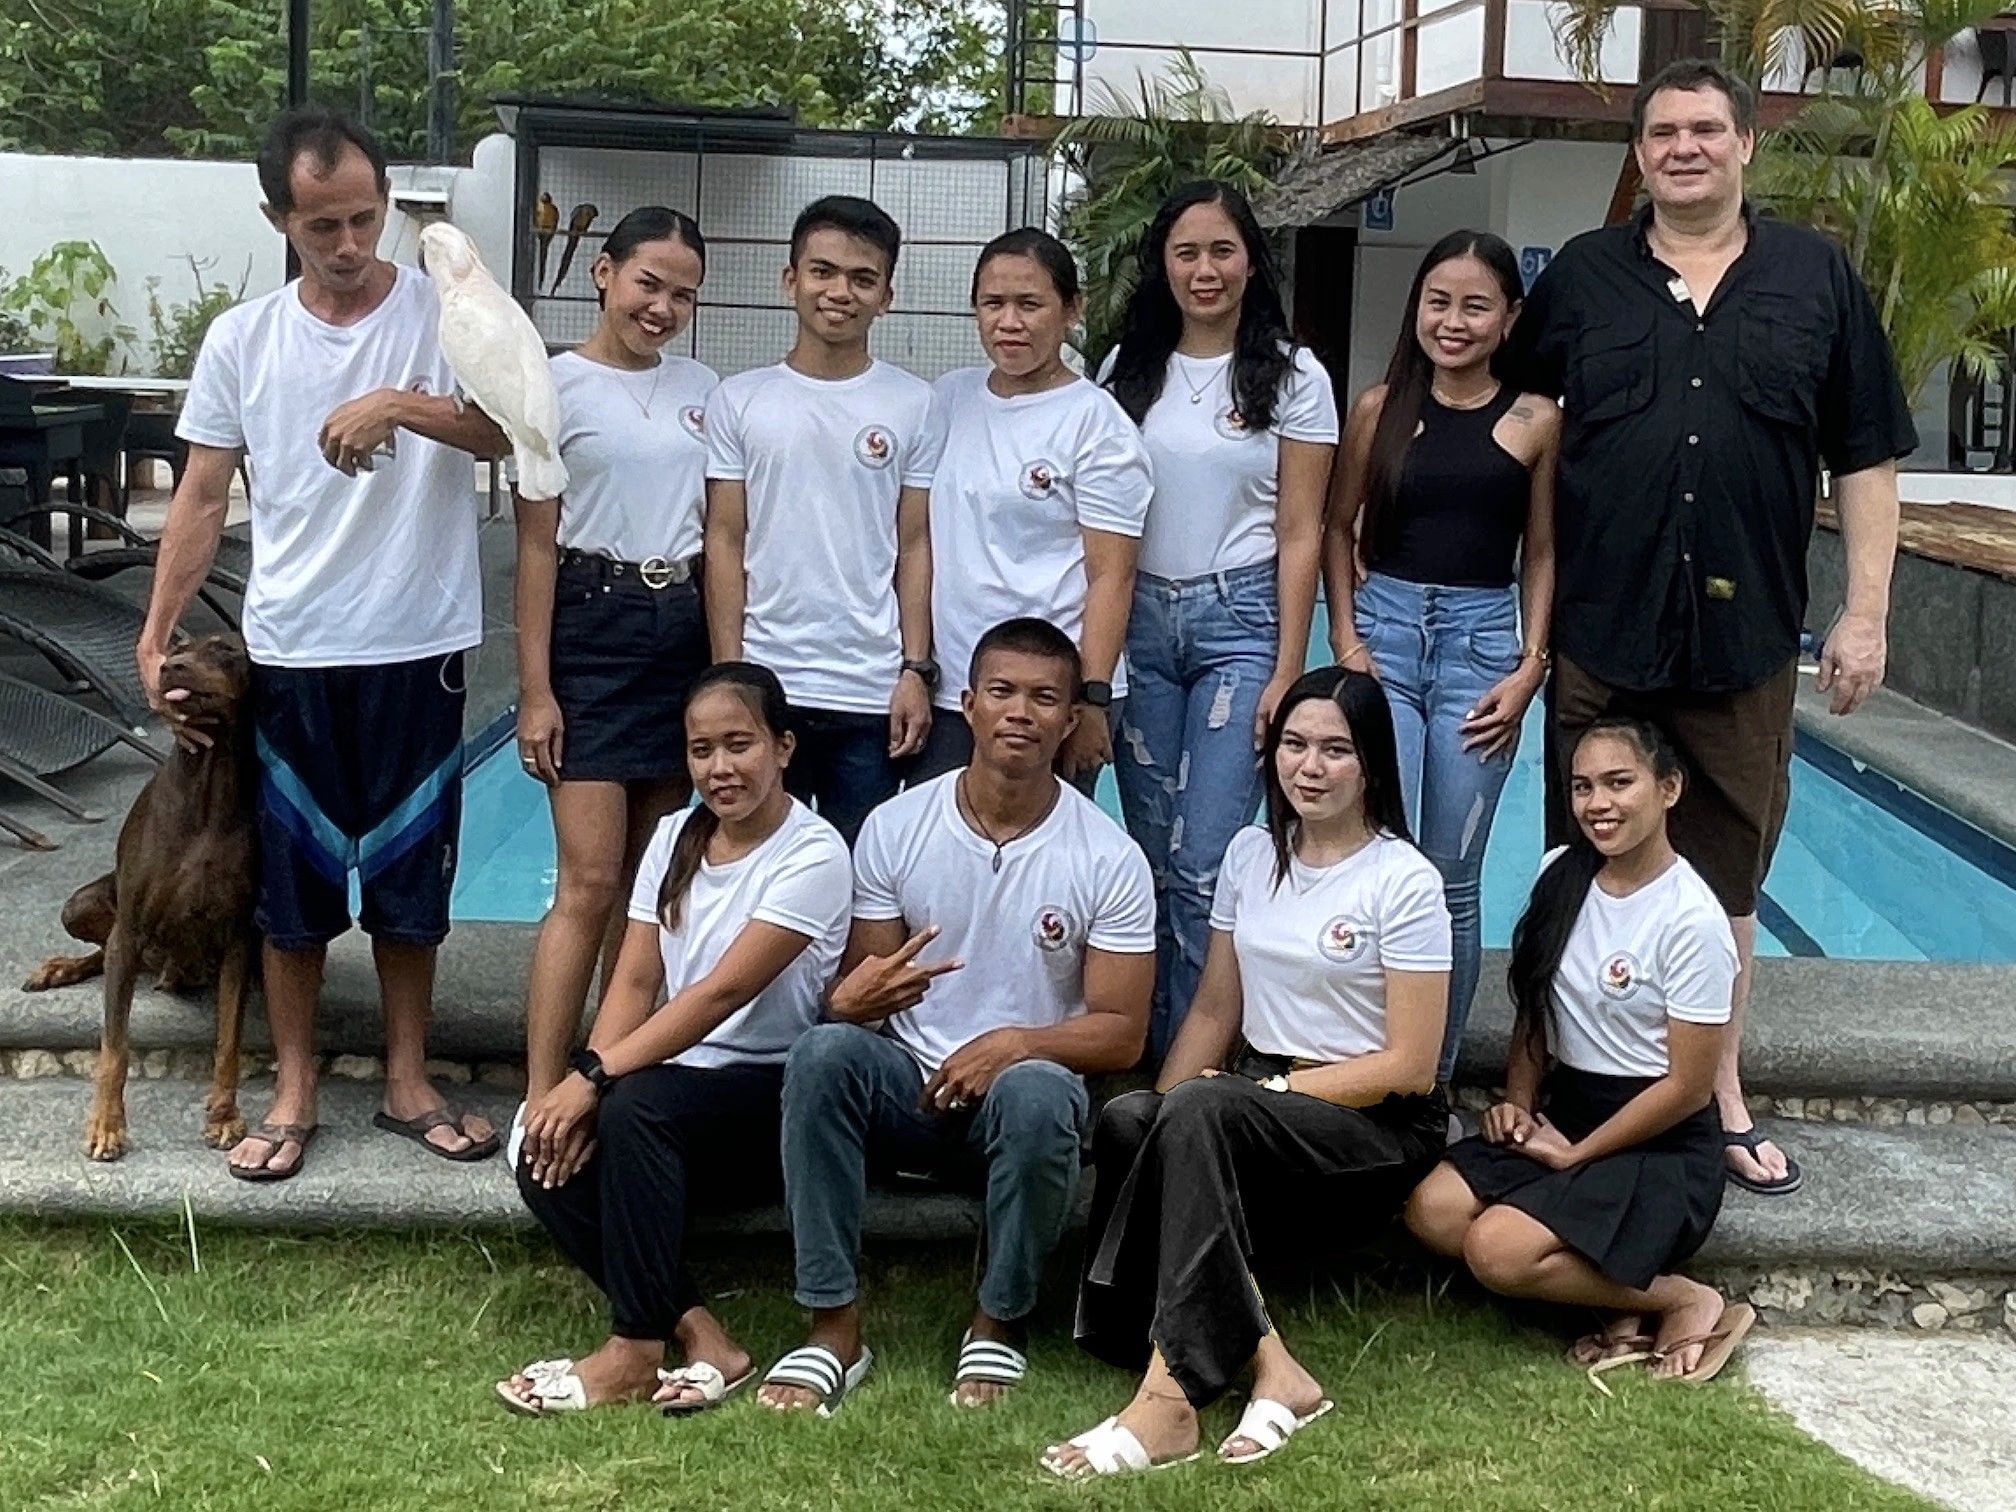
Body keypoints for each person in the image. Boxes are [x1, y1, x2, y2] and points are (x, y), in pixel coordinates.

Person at [1500, 58, 1916, 1196]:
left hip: (1744, 642)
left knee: (1727, 877)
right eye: (1663, 133)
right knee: (1582, 859)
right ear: (1639, 155)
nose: (1684, 148)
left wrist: (1866, 613)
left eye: (1706, 129)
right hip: (1604, 633)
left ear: (1745, 144)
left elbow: (1865, 457)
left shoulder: (1814, 279)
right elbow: (1524, 418)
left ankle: (1715, 1089)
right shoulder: (1586, 277)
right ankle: (1559, 1081)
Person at [137, 107, 509, 1180]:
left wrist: (399, 403)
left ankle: (407, 1081)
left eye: (364, 218)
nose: (350, 245)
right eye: (322, 227)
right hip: (292, 647)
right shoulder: (243, 339)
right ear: (278, 220)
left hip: (420, 640)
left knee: (411, 880)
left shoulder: (449, 315)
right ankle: (294, 1088)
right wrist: (155, 634)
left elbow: (512, 434)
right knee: (290, 887)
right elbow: (201, 495)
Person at [1045, 667, 1451, 1478]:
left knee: (1203, 1109)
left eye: (1336, 750)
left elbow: (1409, 1067)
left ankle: (1169, 1400)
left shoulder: (1404, 880)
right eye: (1295, 745)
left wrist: (1262, 1093)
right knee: (1132, 1119)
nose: (1311, 766)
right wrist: (1164, 1120)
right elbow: (1212, 1011)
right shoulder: (1250, 855)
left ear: (1371, 763)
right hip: (1262, 1106)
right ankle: (1274, 1369)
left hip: (1374, 1124)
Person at [758, 618, 1155, 1416]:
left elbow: (1122, 1033)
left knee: (1040, 1088)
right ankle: (833, 1327)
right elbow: (862, 990)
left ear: (1070, 720)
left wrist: (1012, 1045)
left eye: (1044, 698)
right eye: (1002, 692)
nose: (1020, 713)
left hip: (1018, 1107)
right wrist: (850, 1001)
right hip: (907, 1086)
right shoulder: (897, 826)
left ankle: (998, 1320)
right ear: (968, 706)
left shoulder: (1108, 856)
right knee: (823, 1054)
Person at [499, 663, 852, 1415]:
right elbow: (633, 983)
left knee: (634, 1106)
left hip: (769, 1099)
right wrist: (583, 1093)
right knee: (543, 1153)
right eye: (701, 751)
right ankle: (703, 1336)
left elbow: (719, 994)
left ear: (783, 747)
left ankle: (633, 1347)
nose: (720, 768)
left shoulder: (815, 854)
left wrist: (593, 1079)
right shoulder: (673, 838)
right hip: (671, 1093)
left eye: (739, 745)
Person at [1405, 716, 1754, 1385]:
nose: (1598, 804)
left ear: (1669, 789)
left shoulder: (1692, 919)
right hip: (1567, 1111)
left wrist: (1577, 1154)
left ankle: (1681, 1298)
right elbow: (1536, 1007)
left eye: (1620, 783)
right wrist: (1518, 1100)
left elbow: (1688, 1088)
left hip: (1658, 1141)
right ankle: (1610, 1300)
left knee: (1496, 1250)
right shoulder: (1563, 873)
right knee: (1433, 1210)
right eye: (1582, 786)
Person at [1102, 179, 1339, 1060]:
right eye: (1187, 253)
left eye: (1222, 251)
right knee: (1150, 858)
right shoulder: (1124, 370)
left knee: (1206, 860)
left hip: (1238, 623)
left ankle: (1189, 1073)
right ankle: (1142, 1052)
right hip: (1138, 623)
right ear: (1162, 265)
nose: (1205, 270)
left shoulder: (1294, 376)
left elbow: (1301, 531)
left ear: (1250, 262)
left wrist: (1288, 668)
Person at [1324, 231, 1558, 1087]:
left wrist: (1530, 667)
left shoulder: (1536, 419)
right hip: (1384, 637)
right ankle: (1366, 1058)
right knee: (1379, 852)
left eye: (1475, 306)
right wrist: (1346, 642)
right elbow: (1335, 527)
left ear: (1509, 318)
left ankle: (1431, 1079)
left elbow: (1541, 551)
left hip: (1481, 647)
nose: (1452, 322)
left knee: (1451, 875)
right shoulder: (1378, 409)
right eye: (1438, 302)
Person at [513, 206, 719, 1110]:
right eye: (649, 284)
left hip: (681, 629)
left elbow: (725, 533)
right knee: (590, 881)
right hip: (591, 627)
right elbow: (534, 546)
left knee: (648, 887)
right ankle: (539, 1095)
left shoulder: (704, 390)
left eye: (683, 295)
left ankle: (607, 1084)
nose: (663, 308)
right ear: (605, 273)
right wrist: (536, 691)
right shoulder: (551, 388)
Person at [703, 195, 944, 844]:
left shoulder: (914, 404)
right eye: (823, 272)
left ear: (886, 297)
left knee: (858, 874)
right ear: (791, 280)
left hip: (867, 690)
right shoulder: (739, 400)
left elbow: (914, 544)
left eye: (863, 278)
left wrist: (914, 670)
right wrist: (729, 675)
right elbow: (725, 540)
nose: (840, 292)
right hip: (767, 681)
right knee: (756, 868)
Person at [912, 228, 1152, 795]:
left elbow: (1113, 574)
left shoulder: (1097, 424)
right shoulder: (949, 399)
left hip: (1048, 698)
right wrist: (917, 668)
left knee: (1040, 846)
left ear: (1071, 310)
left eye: (1030, 304)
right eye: (993, 304)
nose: (1009, 322)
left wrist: (1090, 698)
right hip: (957, 689)